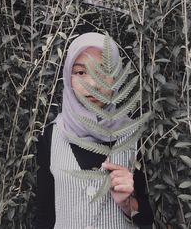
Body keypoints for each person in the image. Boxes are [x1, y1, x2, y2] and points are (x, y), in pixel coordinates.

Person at [35, 32, 154, 229]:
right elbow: (44, 215)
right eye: (81, 72)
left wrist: (127, 203)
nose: (92, 85)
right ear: (68, 76)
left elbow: (147, 219)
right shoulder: (51, 135)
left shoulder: (134, 135)